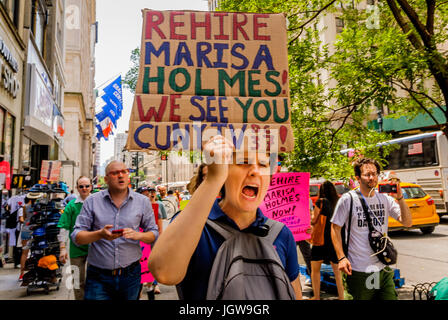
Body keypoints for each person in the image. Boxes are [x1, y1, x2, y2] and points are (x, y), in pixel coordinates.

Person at [149, 135, 303, 300]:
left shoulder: (282, 233)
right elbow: (164, 272)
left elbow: (294, 292)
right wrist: (213, 178)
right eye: (244, 162)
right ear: (224, 171)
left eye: (263, 164)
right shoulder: (194, 226)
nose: (255, 171)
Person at [71, 160, 159, 300]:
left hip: (131, 275)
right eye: (115, 173)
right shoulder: (92, 201)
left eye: (124, 172)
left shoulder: (142, 201)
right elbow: (77, 236)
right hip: (98, 276)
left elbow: (154, 234)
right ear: (106, 179)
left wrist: (138, 235)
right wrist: (99, 234)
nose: (120, 175)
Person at [331, 158, 412, 300]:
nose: (372, 178)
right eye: (367, 174)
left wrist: (400, 198)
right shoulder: (348, 199)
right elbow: (335, 228)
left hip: (384, 266)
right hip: (360, 269)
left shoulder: (385, 198)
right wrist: (341, 257)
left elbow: (407, 222)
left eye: (374, 174)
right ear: (358, 178)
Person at [57, 176, 92, 300]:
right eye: (81, 186)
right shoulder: (71, 206)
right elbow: (64, 227)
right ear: (77, 188)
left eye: (87, 186)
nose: (84, 188)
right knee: (77, 282)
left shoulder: (97, 202)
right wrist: (62, 248)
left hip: (96, 250)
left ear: (91, 187)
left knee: (94, 282)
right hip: (76, 250)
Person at [309, 181, 344, 300]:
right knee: (337, 272)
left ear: (321, 190)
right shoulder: (338, 202)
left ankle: (316, 296)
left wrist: (310, 215)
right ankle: (342, 297)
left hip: (321, 240)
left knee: (315, 270)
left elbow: (314, 220)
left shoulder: (321, 202)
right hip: (335, 239)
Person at [18, 192, 44, 280]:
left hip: (25, 229)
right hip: (36, 230)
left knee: (24, 253)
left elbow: (24, 219)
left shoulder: (25, 206)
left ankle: (22, 273)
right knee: (37, 251)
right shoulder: (38, 207)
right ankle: (37, 272)